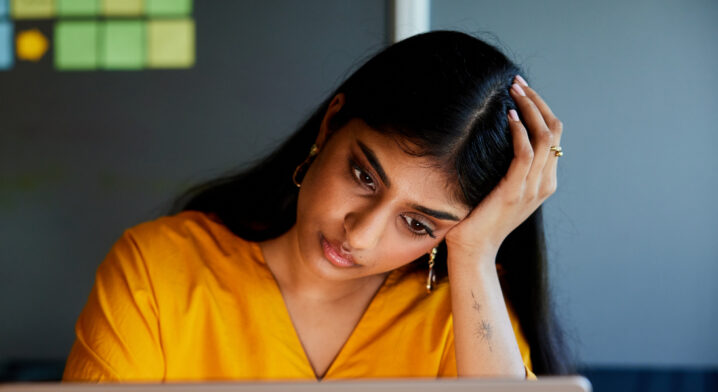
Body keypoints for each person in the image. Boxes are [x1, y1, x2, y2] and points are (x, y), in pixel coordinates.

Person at [62, 30, 571, 382]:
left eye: (416, 224)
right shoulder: (156, 271)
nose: (360, 235)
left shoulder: (464, 314)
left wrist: (476, 252)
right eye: (363, 176)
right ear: (331, 125)